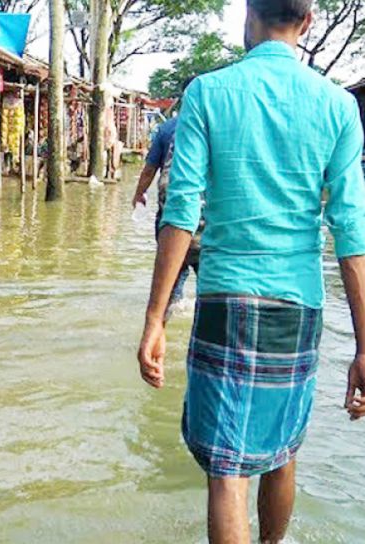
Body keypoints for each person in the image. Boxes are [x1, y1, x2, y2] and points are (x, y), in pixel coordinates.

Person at [138, 2, 365, 543]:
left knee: (227, 475)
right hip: (300, 304)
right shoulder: (338, 106)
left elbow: (181, 209)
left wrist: (154, 319)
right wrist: (364, 342)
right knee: (282, 451)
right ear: (307, 23)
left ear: (248, 16)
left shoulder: (208, 94)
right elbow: (351, 229)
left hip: (227, 300)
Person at [132, 79, 198, 311]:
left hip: (170, 215)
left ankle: (165, 317)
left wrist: (139, 194)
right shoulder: (216, 126)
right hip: (207, 219)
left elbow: (150, 168)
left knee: (173, 278)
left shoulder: (168, 128)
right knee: (207, 283)